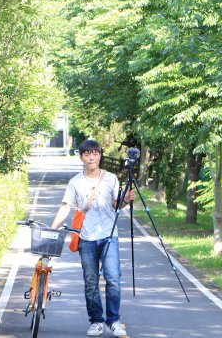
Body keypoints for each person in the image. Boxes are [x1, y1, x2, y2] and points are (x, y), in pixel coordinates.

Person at [51, 139, 135, 337]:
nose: (91, 157)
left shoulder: (111, 178)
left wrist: (126, 200)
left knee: (113, 279)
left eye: (95, 153)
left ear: (100, 155)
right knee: (90, 281)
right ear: (81, 157)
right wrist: (53, 229)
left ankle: (113, 321)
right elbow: (65, 206)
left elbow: (116, 204)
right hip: (86, 238)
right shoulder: (75, 182)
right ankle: (96, 320)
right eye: (87, 153)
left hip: (109, 236)